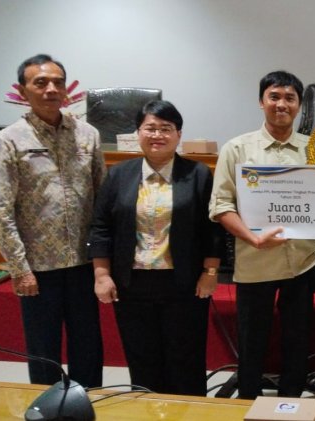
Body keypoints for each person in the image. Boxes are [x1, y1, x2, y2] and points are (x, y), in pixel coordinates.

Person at [209, 70, 315, 399]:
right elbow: (221, 206)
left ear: (298, 105)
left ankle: (290, 403)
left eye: (290, 98)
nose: (282, 104)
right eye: (274, 97)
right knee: (252, 341)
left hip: (302, 262)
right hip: (256, 261)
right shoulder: (237, 148)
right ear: (261, 102)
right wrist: (253, 238)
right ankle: (248, 402)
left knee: (297, 340)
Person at [88, 100, 225, 395]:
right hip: (132, 284)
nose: (157, 135)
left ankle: (189, 411)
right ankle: (147, 409)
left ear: (178, 134)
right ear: (138, 133)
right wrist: (102, 274)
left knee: (186, 358)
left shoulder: (198, 174)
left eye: (166, 128)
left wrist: (211, 272)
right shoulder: (118, 174)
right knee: (142, 358)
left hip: (184, 283)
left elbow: (212, 228)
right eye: (150, 128)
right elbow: (100, 226)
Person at [0, 54, 104, 387]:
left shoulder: (87, 135)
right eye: (40, 83)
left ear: (66, 89)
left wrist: (103, 261)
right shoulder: (8, 140)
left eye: (57, 82)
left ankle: (88, 401)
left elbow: (101, 199)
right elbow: (1, 210)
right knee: (43, 348)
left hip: (84, 262)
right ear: (23, 91)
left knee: (88, 344)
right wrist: (20, 268)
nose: (51, 89)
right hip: (38, 268)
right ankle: (47, 405)